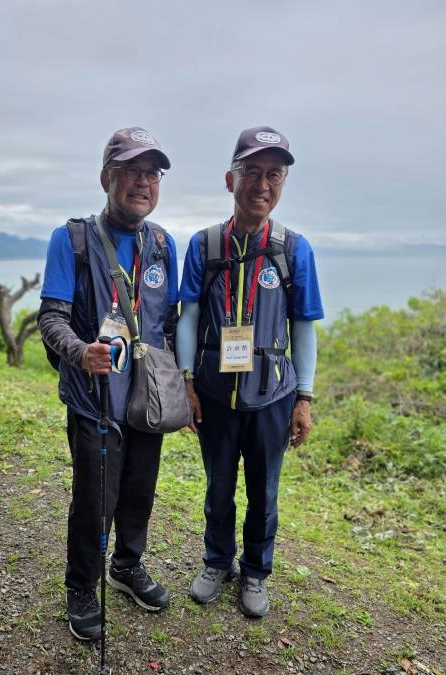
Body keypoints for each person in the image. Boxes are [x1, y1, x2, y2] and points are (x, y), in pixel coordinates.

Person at [176, 126, 324, 617]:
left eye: (274, 175)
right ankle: (217, 562)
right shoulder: (205, 245)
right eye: (252, 172)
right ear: (230, 178)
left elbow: (303, 327)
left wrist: (304, 397)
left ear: (282, 183)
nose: (263, 184)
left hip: (271, 395)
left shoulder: (293, 249)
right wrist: (186, 381)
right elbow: (190, 316)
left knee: (264, 491)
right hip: (216, 393)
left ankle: (256, 572)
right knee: (218, 486)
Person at [38, 127, 179, 641]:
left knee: (141, 489)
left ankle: (126, 565)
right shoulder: (72, 240)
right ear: (107, 179)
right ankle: (81, 585)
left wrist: (181, 384)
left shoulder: (163, 244)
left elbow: (171, 321)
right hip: (94, 400)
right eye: (131, 172)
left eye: (152, 173)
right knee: (96, 499)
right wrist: (81, 352)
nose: (143, 182)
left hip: (148, 398)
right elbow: (50, 318)